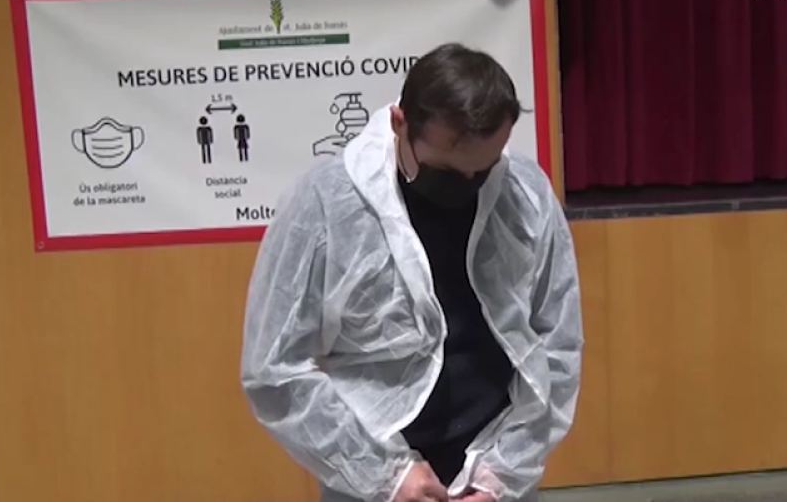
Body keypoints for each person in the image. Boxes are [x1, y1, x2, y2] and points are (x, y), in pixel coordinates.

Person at [240, 43, 583, 502]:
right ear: (400, 124)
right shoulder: (326, 203)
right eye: (447, 170)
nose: (467, 185)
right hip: (369, 478)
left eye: (483, 170)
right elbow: (273, 368)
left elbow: (557, 342)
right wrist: (386, 477)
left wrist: (501, 476)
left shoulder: (525, 192)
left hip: (495, 474)